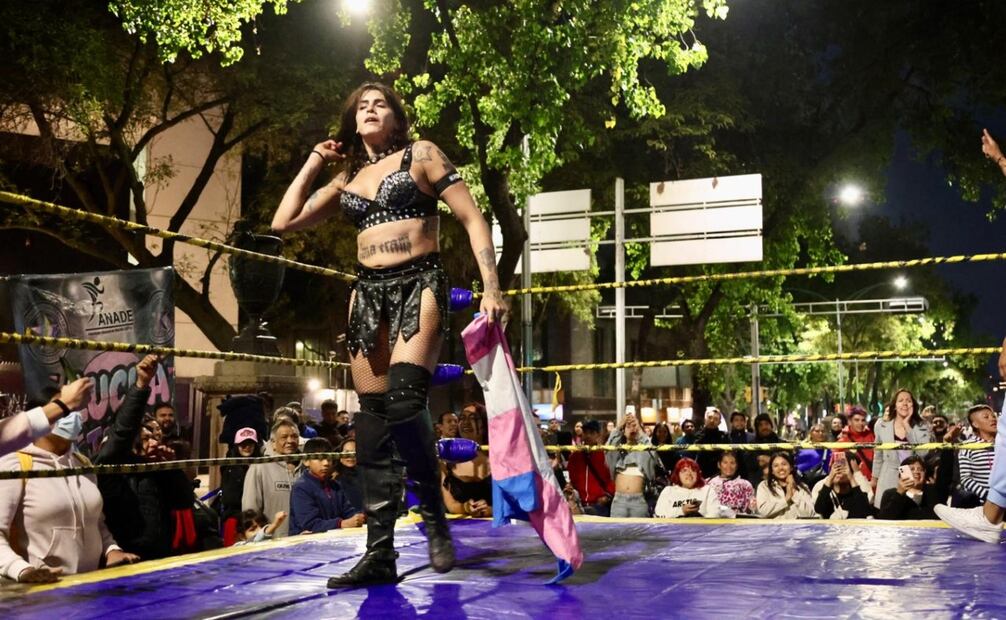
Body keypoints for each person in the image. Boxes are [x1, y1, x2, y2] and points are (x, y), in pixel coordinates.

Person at [271, 81, 506, 586]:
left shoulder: (422, 155)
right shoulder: (347, 178)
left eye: (380, 104)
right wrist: (315, 159)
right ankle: (380, 553)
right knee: (373, 424)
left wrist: (491, 286)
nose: (371, 109)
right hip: (367, 294)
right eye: (362, 106)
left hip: (419, 282)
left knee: (403, 404)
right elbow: (283, 221)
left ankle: (434, 514)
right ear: (353, 121)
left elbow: (472, 218)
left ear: (396, 117)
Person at [0, 404, 139, 583]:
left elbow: (96, 521)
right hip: (40, 589)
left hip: (91, 586)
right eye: (63, 411)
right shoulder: (15, 464)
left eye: (75, 410)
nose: (73, 417)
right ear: (39, 417)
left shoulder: (83, 464)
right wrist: (22, 570)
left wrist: (111, 550)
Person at [0, 377, 92, 457]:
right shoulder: (12, 463)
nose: (72, 416)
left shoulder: (82, 462)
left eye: (75, 410)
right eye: (61, 413)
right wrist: (64, 404)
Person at [871, 389, 931, 510]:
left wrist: (907, 425)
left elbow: (923, 452)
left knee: (910, 513)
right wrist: (874, 478)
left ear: (913, 405)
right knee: (888, 513)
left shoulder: (922, 426)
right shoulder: (881, 424)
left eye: (908, 401)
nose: (904, 403)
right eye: (900, 400)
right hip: (888, 477)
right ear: (894, 405)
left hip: (913, 479)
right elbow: (878, 455)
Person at [290, 438, 365, 534]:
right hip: (307, 542)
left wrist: (359, 517)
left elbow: (348, 512)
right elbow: (310, 524)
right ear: (306, 461)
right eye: (320, 459)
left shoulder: (335, 485)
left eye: (329, 458)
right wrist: (341, 524)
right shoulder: (301, 488)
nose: (326, 463)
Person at [242, 419, 300, 538]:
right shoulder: (259, 467)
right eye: (284, 437)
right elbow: (250, 510)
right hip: (271, 541)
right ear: (273, 442)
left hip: (302, 539)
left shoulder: (306, 466)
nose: (290, 441)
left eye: (294, 436)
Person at [441, 403, 492, 518]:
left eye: (473, 418)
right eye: (462, 418)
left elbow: (512, 501)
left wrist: (491, 510)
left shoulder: (498, 458)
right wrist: (465, 507)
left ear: (484, 424)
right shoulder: (445, 460)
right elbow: (451, 505)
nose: (466, 422)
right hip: (458, 526)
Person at [605, 413, 658, 518]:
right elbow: (608, 450)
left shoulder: (644, 452)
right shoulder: (617, 451)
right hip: (619, 502)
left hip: (638, 501)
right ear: (623, 431)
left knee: (639, 529)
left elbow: (653, 455)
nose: (632, 429)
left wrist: (640, 431)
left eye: (634, 426)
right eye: (628, 426)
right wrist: (619, 426)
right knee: (617, 529)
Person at [220, 427, 262, 546]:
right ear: (236, 446)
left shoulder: (262, 465)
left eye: (250, 444)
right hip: (236, 521)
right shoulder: (229, 467)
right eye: (243, 444)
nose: (247, 447)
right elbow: (229, 499)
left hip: (255, 521)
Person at [566, 420, 615, 516]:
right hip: (580, 505)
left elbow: (613, 478)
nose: (588, 435)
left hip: (600, 505)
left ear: (598, 434)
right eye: (586, 432)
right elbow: (572, 478)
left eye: (592, 433)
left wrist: (607, 496)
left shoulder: (605, 454)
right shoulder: (575, 455)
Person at [953, 405, 997, 508]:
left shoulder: (1002, 443)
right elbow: (966, 479)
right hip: (981, 504)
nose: (992, 419)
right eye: (986, 417)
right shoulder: (967, 446)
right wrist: (989, 497)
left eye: (993, 416)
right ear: (975, 424)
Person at [811, 452, 875, 519]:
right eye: (836, 468)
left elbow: (866, 511)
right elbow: (819, 509)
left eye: (843, 468)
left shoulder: (858, 491)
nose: (839, 472)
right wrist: (830, 478)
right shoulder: (822, 488)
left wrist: (851, 478)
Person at [654, 458, 722, 518]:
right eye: (684, 470)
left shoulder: (708, 490)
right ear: (678, 474)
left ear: (698, 474)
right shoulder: (668, 491)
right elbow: (660, 514)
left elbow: (715, 515)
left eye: (693, 470)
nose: (689, 473)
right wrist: (681, 511)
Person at [756, 451, 816, 519]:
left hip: (797, 525)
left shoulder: (802, 487)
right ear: (772, 471)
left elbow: (809, 514)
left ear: (791, 467)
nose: (780, 468)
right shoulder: (764, 486)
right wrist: (786, 499)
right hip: (774, 525)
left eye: (784, 464)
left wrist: (793, 491)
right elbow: (762, 512)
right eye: (776, 466)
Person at [878, 455, 940, 520]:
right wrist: (899, 494)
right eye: (912, 469)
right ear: (902, 474)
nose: (916, 472)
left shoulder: (932, 492)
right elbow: (884, 518)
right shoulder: (890, 494)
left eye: (920, 469)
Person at [707, 450, 756, 516]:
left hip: (737, 520)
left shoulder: (745, 485)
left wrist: (751, 507)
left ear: (737, 465)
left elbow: (750, 511)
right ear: (719, 465)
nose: (729, 466)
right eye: (725, 462)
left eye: (732, 463)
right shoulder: (709, 483)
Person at [838, 406, 875, 481]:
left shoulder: (871, 435)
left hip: (872, 481)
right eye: (856, 420)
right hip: (853, 482)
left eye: (863, 420)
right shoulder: (843, 440)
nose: (860, 423)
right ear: (849, 421)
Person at [693, 408, 729, 479]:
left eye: (716, 419)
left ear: (719, 422)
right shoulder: (697, 436)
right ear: (705, 419)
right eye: (710, 417)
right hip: (701, 473)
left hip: (720, 473)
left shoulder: (724, 437)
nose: (712, 421)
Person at [332, 437, 363, 513]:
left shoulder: (367, 477)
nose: (350, 456)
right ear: (340, 458)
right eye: (347, 452)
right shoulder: (334, 480)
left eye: (354, 452)